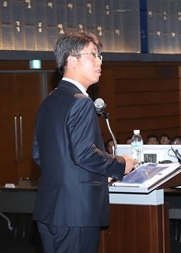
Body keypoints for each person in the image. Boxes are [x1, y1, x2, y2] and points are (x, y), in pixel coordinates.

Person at [32, 31, 136, 253]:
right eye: (93, 55)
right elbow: (85, 154)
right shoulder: (81, 102)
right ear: (71, 60)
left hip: (49, 211)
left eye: (100, 56)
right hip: (76, 212)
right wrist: (120, 164)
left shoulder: (48, 101)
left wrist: (84, 174)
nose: (99, 62)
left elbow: (40, 154)